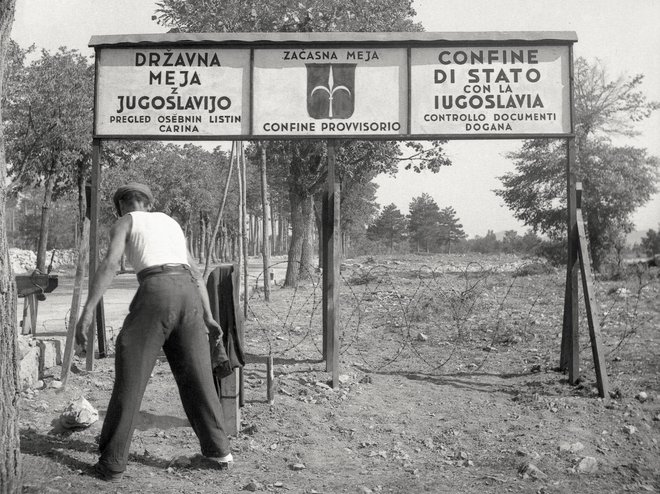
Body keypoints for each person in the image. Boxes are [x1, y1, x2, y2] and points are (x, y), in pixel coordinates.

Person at [75, 182, 233, 482]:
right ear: (149, 203)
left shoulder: (125, 222)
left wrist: (86, 314)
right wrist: (209, 317)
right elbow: (195, 270)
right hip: (188, 293)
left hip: (156, 290)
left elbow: (110, 265)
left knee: (131, 375)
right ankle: (218, 453)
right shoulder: (171, 223)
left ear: (121, 206)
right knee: (198, 376)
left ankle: (111, 463)